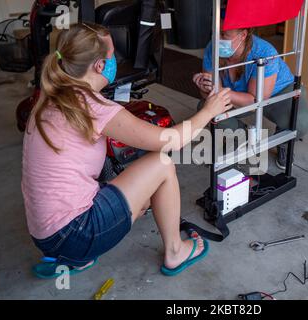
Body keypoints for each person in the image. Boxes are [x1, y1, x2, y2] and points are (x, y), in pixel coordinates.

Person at [21, 23, 232, 278]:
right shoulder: (92, 106)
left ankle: (77, 259)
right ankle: (176, 251)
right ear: (100, 66)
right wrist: (209, 110)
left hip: (45, 236)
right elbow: (172, 140)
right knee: (162, 164)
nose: (115, 61)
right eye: (112, 55)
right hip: (75, 234)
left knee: (143, 198)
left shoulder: (51, 97)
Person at [193, 11, 308, 170]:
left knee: (299, 121)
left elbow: (255, 100)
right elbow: (210, 95)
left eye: (223, 34)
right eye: (215, 32)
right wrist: (205, 88)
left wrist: (220, 90)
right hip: (235, 93)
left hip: (277, 91)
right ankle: (241, 137)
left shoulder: (264, 52)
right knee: (205, 108)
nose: (217, 39)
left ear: (243, 35)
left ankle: (284, 142)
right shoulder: (212, 48)